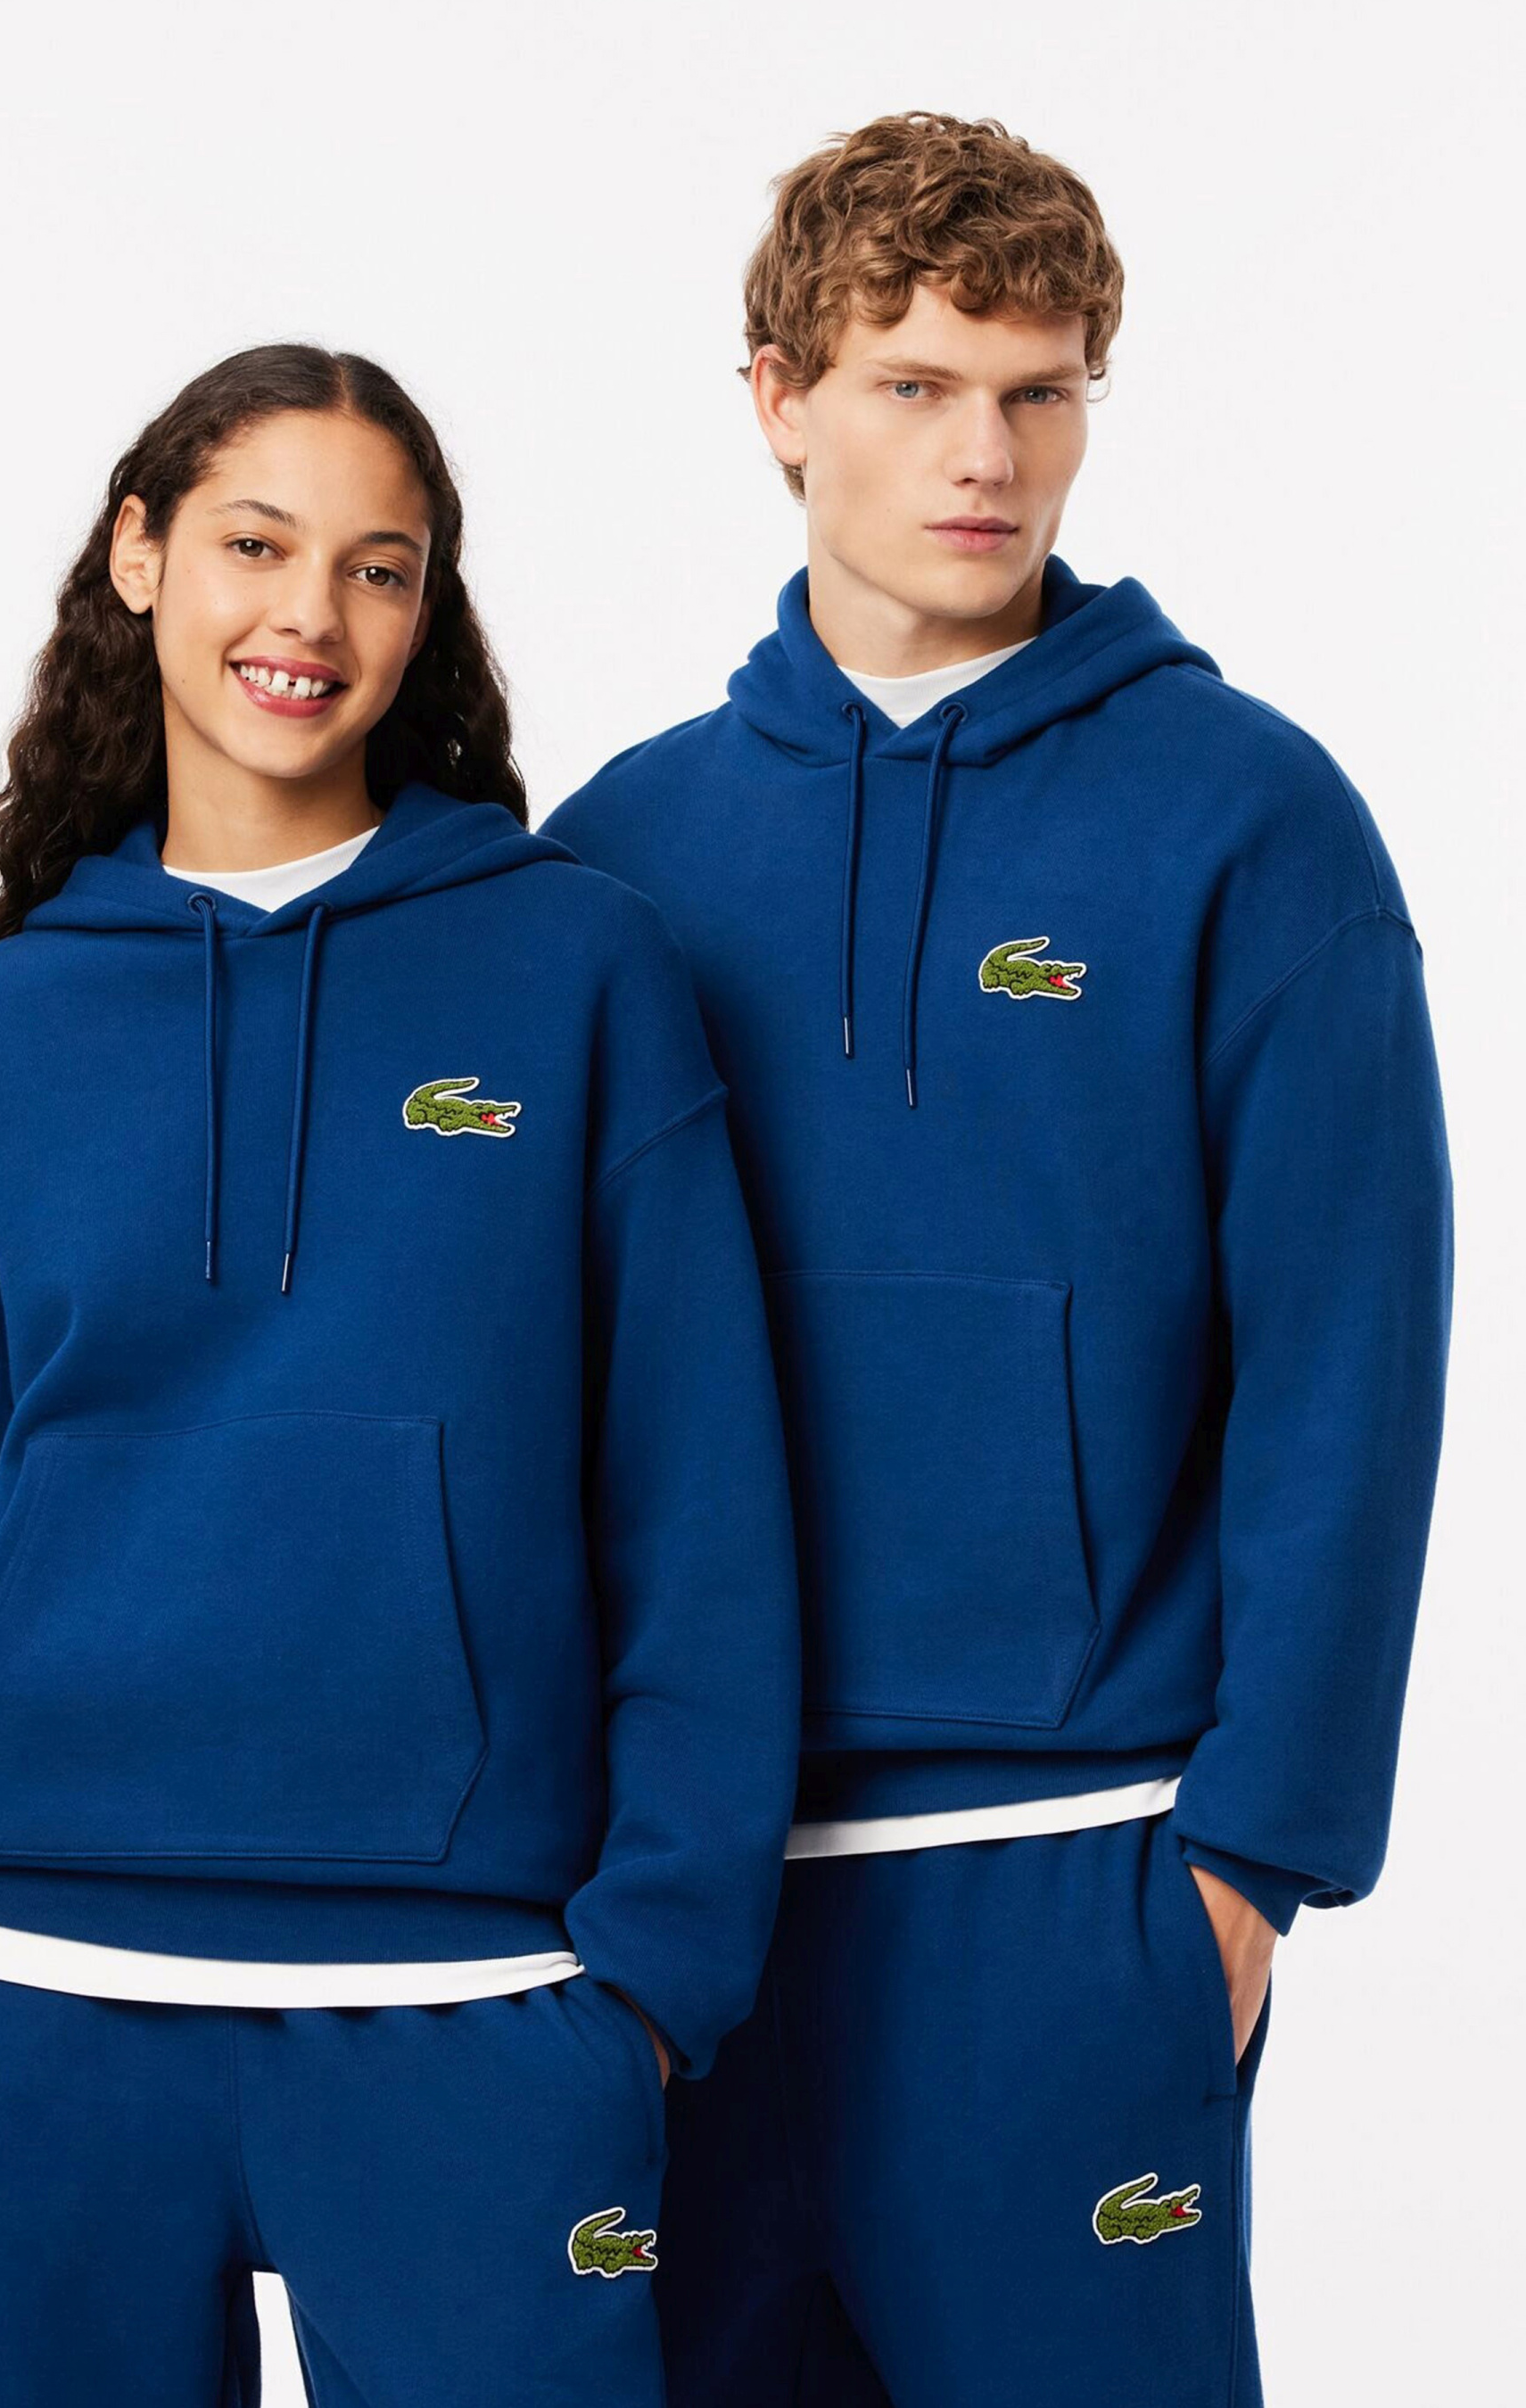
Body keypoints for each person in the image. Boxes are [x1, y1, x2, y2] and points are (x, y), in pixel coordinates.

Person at [0, 341, 802, 2408]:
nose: (309, 614)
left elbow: (699, 1516)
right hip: (8, 1993)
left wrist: (651, 1978)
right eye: (254, 544)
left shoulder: (574, 970)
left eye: (376, 568)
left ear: (425, 614)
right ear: (138, 554)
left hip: (475, 2006)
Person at [545, 111, 1454, 2408]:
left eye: (1039, 392)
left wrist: (1252, 1859)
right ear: (776, 402)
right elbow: (524, 1376)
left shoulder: (1246, 819)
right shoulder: (622, 851)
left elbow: (1348, 1359)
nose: (987, 455)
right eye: (915, 385)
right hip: (681, 1890)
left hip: (1075, 1864)